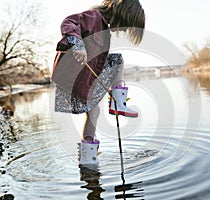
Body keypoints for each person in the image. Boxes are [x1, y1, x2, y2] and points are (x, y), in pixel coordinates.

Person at [51, 0, 145, 165]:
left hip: (84, 79)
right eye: (126, 25)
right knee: (118, 61)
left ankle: (87, 159)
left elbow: (97, 62)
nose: (123, 30)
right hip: (73, 77)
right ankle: (118, 103)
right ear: (121, 14)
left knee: (94, 112)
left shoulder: (104, 28)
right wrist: (78, 44)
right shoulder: (94, 17)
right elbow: (69, 22)